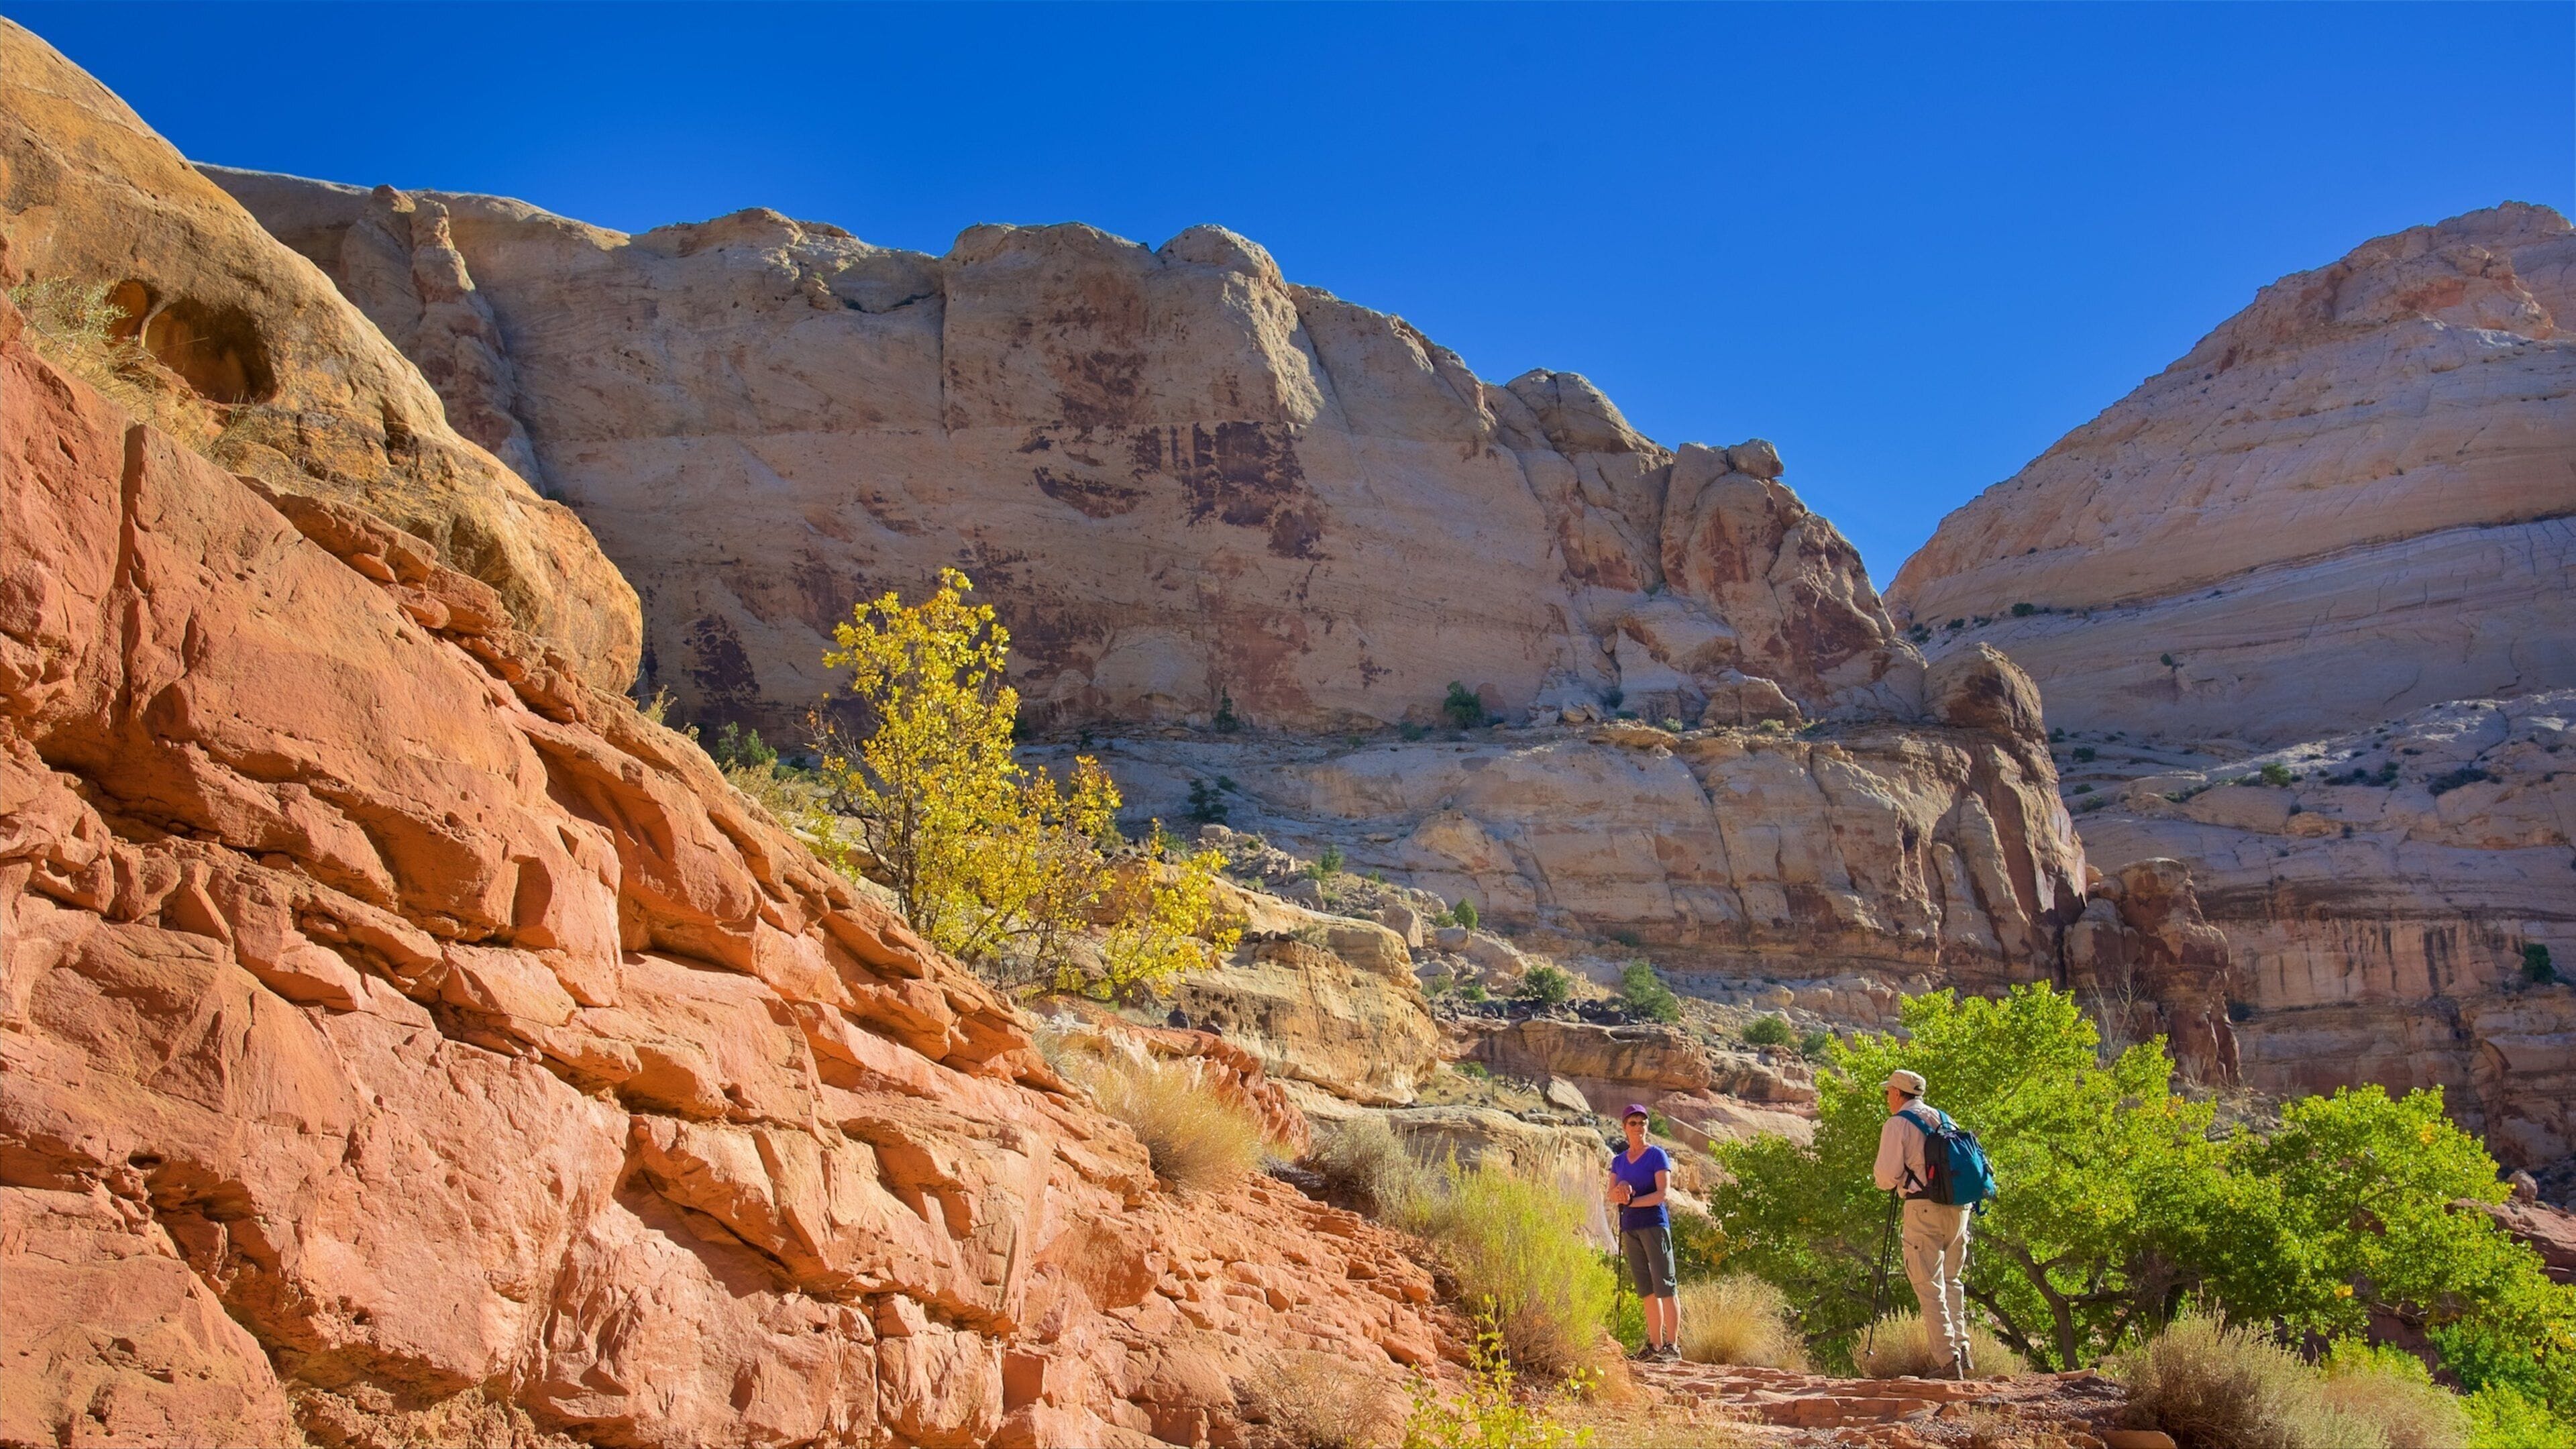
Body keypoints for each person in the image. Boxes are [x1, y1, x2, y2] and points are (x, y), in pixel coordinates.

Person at [1873, 1069, 1973, 1379]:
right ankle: (1963, 1351)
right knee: (1952, 1281)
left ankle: (1947, 1362)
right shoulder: (1945, 1119)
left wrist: (1899, 1178)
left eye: (1888, 1091)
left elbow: (1885, 1177)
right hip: (1959, 1210)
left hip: (1923, 1210)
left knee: (1928, 1285)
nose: (1887, 1096)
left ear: (1898, 1094)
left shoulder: (1898, 1124)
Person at [1607, 1105, 1681, 1361]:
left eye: (1642, 1122)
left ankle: (1672, 1346)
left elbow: (1662, 1194)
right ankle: (1655, 1345)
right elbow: (1611, 1193)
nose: (1639, 1127)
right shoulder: (1618, 1161)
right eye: (1633, 1123)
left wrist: (1630, 1202)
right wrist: (1621, 1192)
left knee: (1665, 1285)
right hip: (1631, 1228)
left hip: (1654, 1225)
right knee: (1646, 1289)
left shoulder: (1657, 1155)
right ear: (1624, 1127)